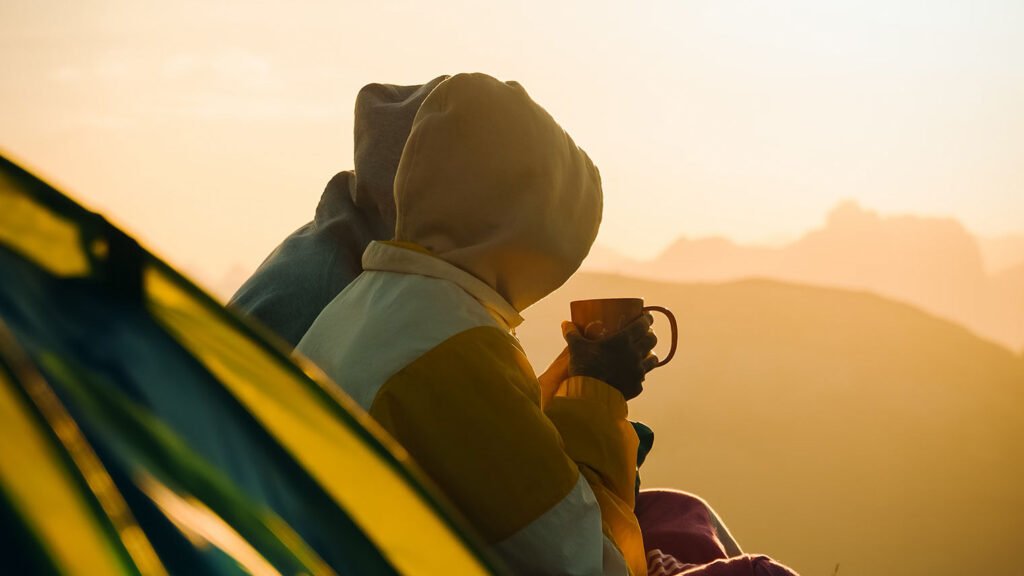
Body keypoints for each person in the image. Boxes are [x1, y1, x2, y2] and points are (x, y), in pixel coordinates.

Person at [232, 73, 799, 576]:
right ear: (530, 237)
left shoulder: (377, 302)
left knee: (683, 515)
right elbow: (589, 561)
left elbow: (490, 454)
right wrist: (599, 394)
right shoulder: (454, 351)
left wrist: (573, 377)